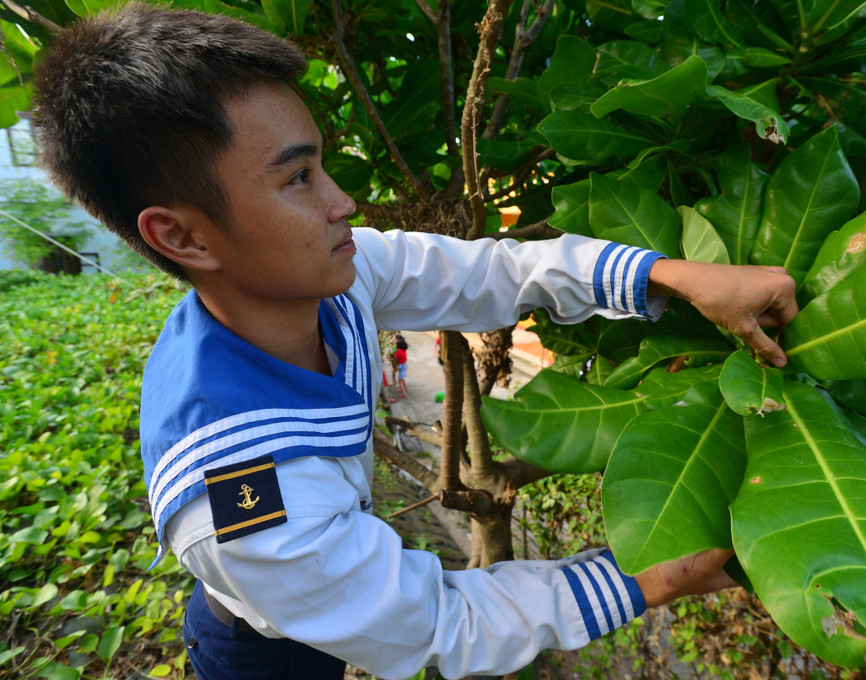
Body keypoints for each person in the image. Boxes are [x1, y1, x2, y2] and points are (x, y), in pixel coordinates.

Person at [31, 5, 799, 680]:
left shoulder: (317, 281)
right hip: (263, 655)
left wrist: (672, 274)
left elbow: (488, 274)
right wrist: (651, 581)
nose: (343, 202)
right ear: (183, 237)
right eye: (297, 180)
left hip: (319, 591)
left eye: (322, 164)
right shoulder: (246, 502)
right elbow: (442, 623)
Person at [394, 334, 409, 398]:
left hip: (400, 366)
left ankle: (404, 394)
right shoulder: (404, 350)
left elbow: (395, 358)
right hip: (404, 365)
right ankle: (405, 389)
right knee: (402, 379)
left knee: (400, 381)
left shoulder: (398, 351)